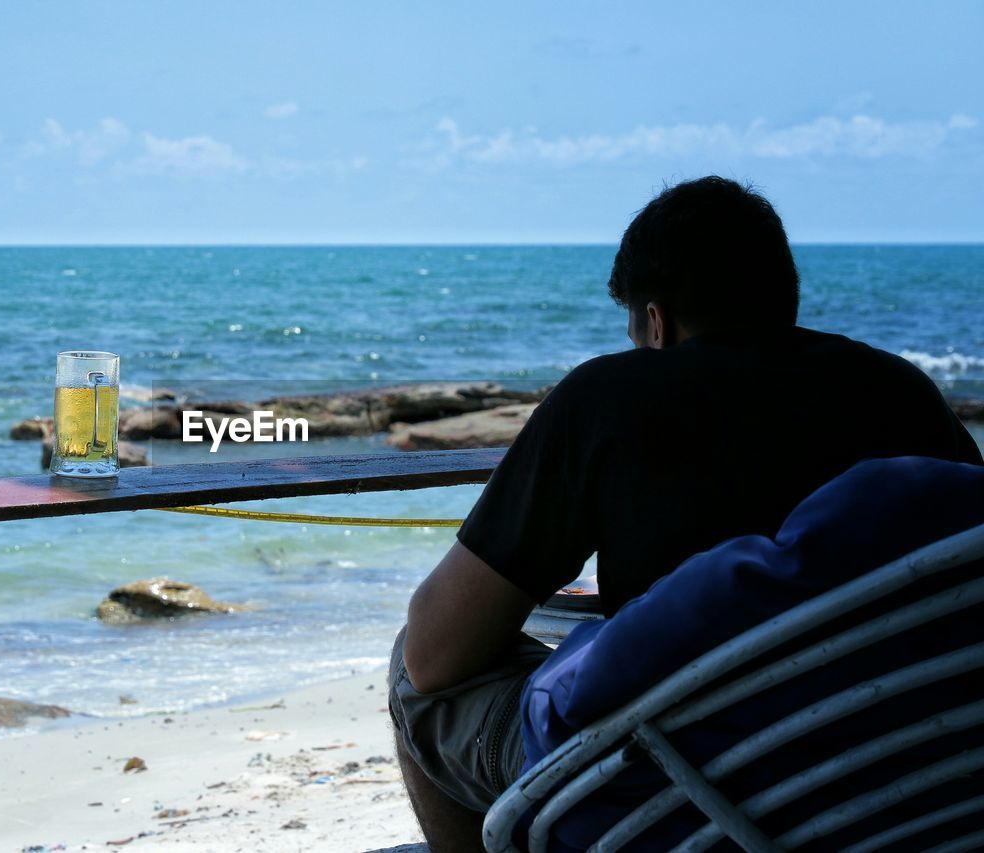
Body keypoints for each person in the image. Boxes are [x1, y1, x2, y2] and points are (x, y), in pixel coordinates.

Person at [387, 176, 984, 852]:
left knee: (412, 678)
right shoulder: (898, 390)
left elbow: (437, 653)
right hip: (892, 768)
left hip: (672, 792)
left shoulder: (607, 400)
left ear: (657, 320)